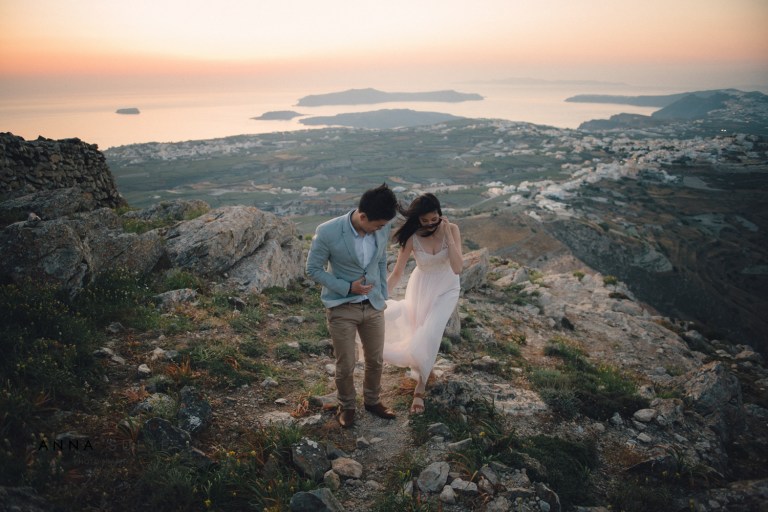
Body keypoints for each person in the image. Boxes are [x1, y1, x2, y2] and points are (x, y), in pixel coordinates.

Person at [306, 183, 399, 428]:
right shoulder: (327, 231)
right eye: (377, 225)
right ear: (363, 215)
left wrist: (383, 293)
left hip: (373, 306)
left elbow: (380, 261)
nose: (381, 229)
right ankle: (347, 406)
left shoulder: (383, 226)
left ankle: (372, 401)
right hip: (342, 306)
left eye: (383, 226)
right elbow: (313, 270)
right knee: (346, 363)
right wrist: (348, 287)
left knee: (376, 360)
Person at [383, 193, 463, 414]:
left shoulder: (452, 229)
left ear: (440, 214)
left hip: (447, 286)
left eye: (433, 219)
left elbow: (457, 268)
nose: (429, 224)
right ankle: (424, 369)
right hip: (421, 286)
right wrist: (380, 296)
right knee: (418, 330)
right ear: (417, 218)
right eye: (424, 220)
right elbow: (398, 272)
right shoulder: (412, 237)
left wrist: (447, 233)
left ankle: (420, 387)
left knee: (432, 331)